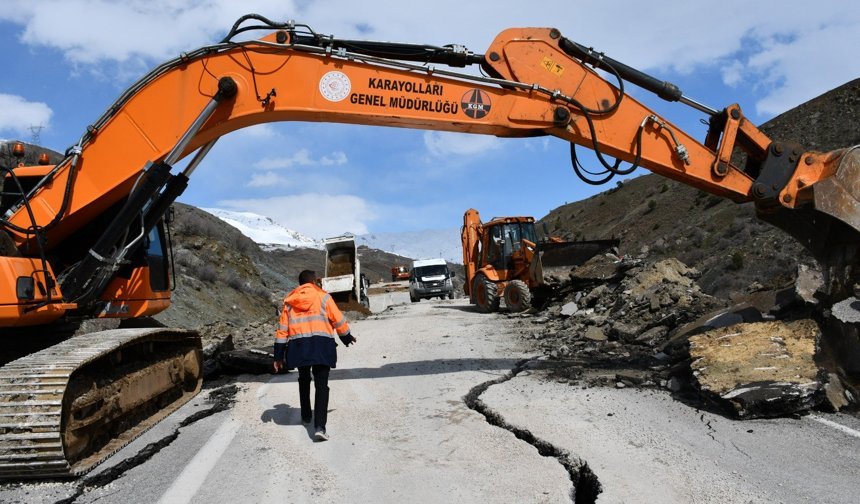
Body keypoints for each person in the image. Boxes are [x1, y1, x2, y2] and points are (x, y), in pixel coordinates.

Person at [273, 269, 357, 441]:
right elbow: (338, 319)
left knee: (304, 379)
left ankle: (306, 415)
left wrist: (278, 356)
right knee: (322, 385)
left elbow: (282, 331)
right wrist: (346, 337)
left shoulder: (290, 302)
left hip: (299, 347)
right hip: (321, 346)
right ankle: (320, 427)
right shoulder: (323, 297)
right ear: (313, 281)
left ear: (300, 284)